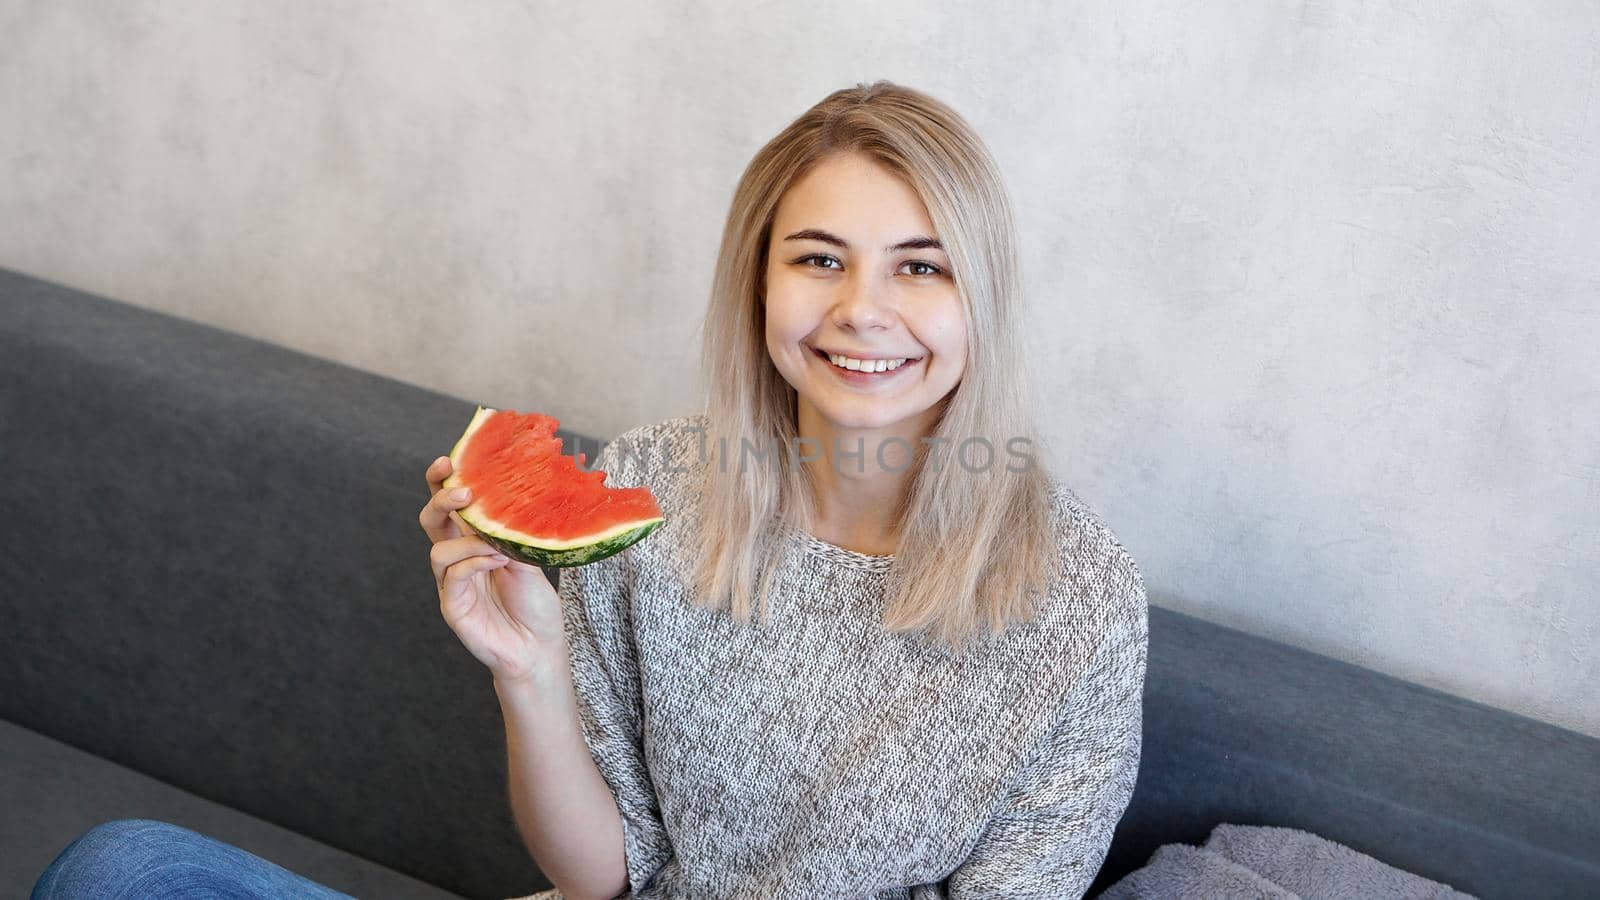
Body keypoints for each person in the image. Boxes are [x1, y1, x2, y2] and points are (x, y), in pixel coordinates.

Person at [31, 79, 1147, 900]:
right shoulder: (651, 483)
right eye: (816, 258)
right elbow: (601, 877)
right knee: (123, 865)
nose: (862, 308)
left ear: (978, 297)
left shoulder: (1080, 600)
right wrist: (529, 668)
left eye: (921, 264)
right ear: (758, 285)